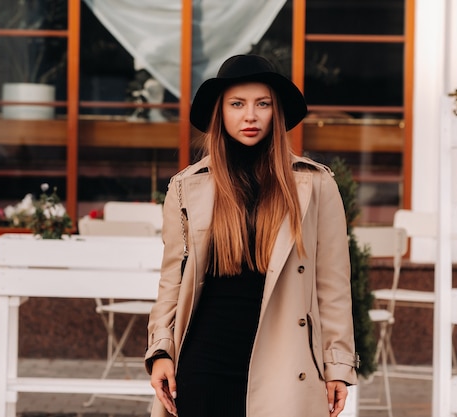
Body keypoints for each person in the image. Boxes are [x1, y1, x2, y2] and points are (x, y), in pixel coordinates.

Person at [145, 54, 358, 417]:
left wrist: (337, 364)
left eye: (263, 104)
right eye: (237, 104)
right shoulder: (186, 188)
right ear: (221, 112)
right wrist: (162, 350)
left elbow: (332, 285)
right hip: (204, 363)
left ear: (276, 113)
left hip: (286, 363)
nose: (250, 116)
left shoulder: (316, 186)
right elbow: (173, 279)